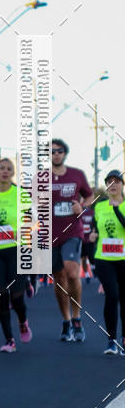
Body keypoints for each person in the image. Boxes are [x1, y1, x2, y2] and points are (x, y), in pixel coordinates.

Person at [0, 158, 32, 353]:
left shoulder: (21, 194)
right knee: (1, 294)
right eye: (2, 168)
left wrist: (22, 232)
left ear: (13, 174)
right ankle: (9, 340)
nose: (5, 171)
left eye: (9, 169)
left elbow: (33, 222)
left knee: (16, 297)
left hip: (17, 249)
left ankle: (22, 321)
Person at [50, 138, 93, 342]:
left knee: (72, 273)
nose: (56, 154)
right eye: (52, 151)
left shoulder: (77, 174)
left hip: (72, 232)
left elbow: (90, 196)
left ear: (65, 153)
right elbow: (29, 203)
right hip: (50, 235)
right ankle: (66, 321)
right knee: (59, 278)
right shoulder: (40, 178)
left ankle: (77, 319)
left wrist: (82, 207)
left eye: (59, 151)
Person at [89, 170, 125, 355]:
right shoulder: (100, 206)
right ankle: (111, 340)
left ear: (122, 185)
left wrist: (117, 209)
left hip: (123, 258)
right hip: (104, 258)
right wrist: (93, 234)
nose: (113, 184)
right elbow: (94, 227)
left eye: (116, 181)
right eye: (109, 181)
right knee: (112, 295)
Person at [80, 200, 96, 282]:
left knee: (91, 258)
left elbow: (96, 224)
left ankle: (93, 269)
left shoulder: (92, 212)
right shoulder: (78, 213)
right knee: (83, 258)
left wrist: (94, 232)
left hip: (90, 239)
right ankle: (87, 275)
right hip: (82, 239)